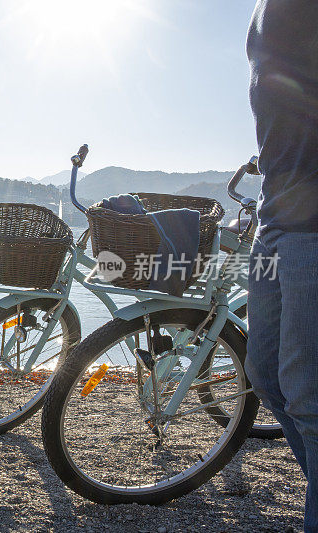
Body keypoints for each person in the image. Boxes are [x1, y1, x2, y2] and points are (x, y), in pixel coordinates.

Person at [246, 2, 318, 531]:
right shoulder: (262, 12)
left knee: (306, 391)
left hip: (312, 233)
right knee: (265, 372)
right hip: (273, 224)